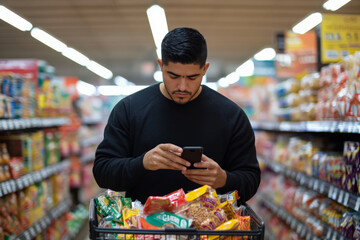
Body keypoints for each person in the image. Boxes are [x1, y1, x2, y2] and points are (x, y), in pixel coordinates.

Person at [93, 27, 260, 204]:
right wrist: (142, 163)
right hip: (145, 228)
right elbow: (103, 173)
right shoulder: (129, 110)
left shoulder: (232, 116)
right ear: (161, 65)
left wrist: (223, 179)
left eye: (192, 77)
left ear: (205, 69)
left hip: (209, 228)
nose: (182, 86)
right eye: (173, 75)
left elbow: (251, 179)